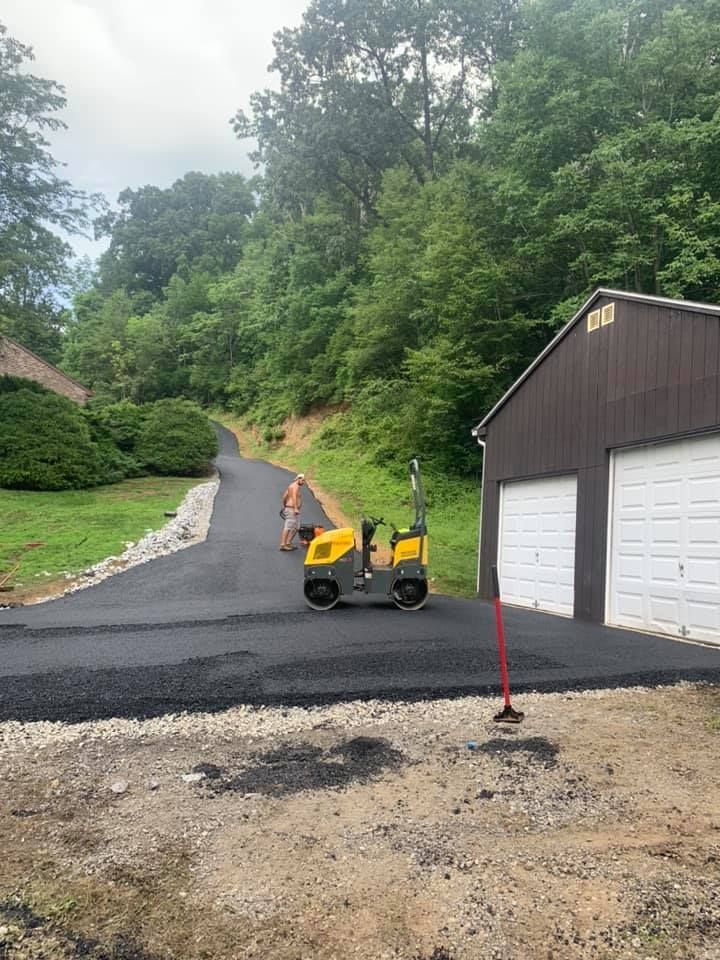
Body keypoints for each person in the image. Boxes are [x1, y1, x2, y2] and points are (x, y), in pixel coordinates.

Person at [279, 473, 305, 550]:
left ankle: (288, 543)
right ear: (298, 479)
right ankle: (283, 545)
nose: (303, 482)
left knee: (296, 527)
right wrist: (296, 508)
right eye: (302, 480)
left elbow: (284, 496)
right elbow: (294, 496)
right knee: (288, 526)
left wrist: (284, 506)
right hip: (292, 509)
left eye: (304, 481)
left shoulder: (291, 486)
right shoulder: (295, 486)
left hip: (289, 508)